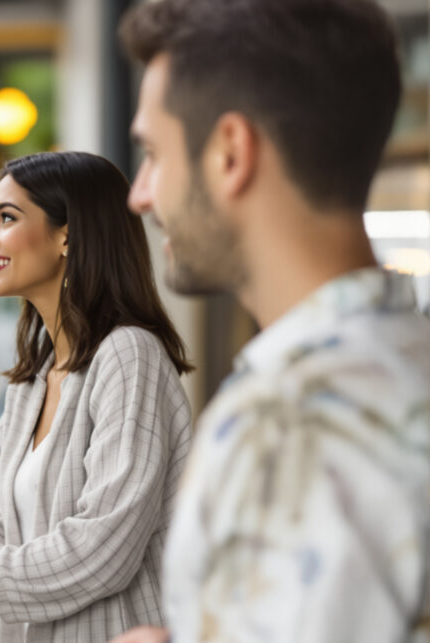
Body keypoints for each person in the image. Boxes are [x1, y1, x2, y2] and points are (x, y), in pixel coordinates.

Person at [111, 0, 430, 641]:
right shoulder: (407, 360)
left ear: (230, 152)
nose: (138, 193)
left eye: (153, 152)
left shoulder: (289, 422)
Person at [0, 151, 194, 641]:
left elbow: (103, 550)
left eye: (7, 218)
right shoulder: (30, 381)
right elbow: (8, 544)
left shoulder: (129, 356)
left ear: (68, 234)